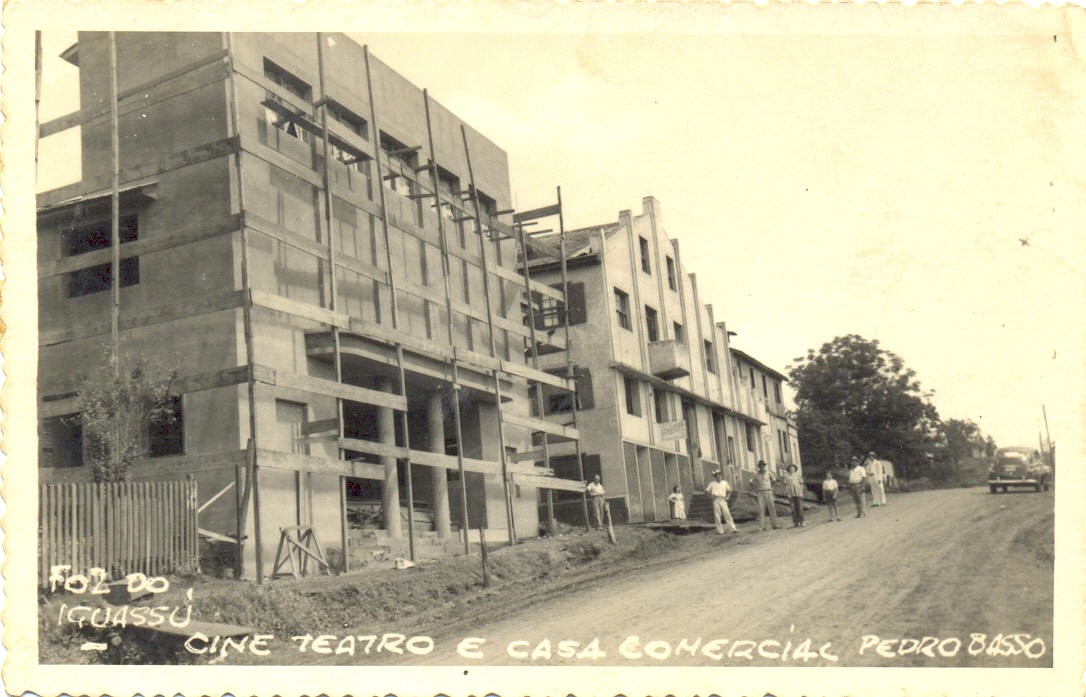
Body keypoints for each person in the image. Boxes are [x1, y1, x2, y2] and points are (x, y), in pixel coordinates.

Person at [748, 461, 780, 531]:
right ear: (759, 466)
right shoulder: (755, 474)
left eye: (763, 465)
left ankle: (775, 525)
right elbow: (750, 482)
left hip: (768, 491)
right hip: (760, 492)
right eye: (760, 466)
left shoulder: (769, 473)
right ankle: (762, 526)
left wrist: (772, 488)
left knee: (772, 507)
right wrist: (755, 490)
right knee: (761, 508)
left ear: (765, 466)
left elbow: (774, 481)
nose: (762, 467)